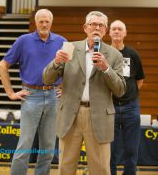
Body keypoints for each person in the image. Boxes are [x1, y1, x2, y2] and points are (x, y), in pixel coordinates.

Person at [43, 11, 126, 175]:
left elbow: (120, 90)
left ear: (105, 30)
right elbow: (47, 79)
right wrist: (56, 61)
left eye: (101, 25)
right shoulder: (70, 48)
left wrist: (106, 68)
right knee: (65, 167)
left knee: (101, 168)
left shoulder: (115, 55)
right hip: (70, 116)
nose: (97, 28)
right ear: (85, 28)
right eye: (93, 24)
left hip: (99, 117)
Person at [0, 8, 66, 175]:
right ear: (35, 22)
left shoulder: (62, 41)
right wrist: (10, 93)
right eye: (41, 21)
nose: (44, 24)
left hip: (53, 97)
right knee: (25, 145)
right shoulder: (23, 40)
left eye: (47, 21)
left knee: (48, 148)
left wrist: (65, 87)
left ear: (51, 22)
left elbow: (70, 69)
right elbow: (3, 66)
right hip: (31, 96)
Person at [109, 20, 145, 175]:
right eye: (114, 29)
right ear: (109, 32)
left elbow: (139, 80)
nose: (116, 31)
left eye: (120, 29)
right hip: (109, 107)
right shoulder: (103, 54)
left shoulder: (133, 54)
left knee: (131, 148)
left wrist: (127, 94)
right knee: (110, 149)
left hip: (131, 106)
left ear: (125, 33)